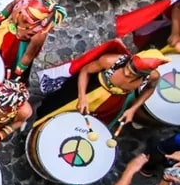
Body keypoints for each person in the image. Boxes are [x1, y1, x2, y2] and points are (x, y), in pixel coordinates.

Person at [35, 45, 167, 127]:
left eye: (133, 74)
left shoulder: (152, 76)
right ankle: (38, 125)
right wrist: (82, 97)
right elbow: (85, 71)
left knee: (87, 123)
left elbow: (150, 88)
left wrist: (133, 108)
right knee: (54, 108)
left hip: (113, 101)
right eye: (127, 68)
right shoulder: (110, 61)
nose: (127, 73)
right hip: (89, 89)